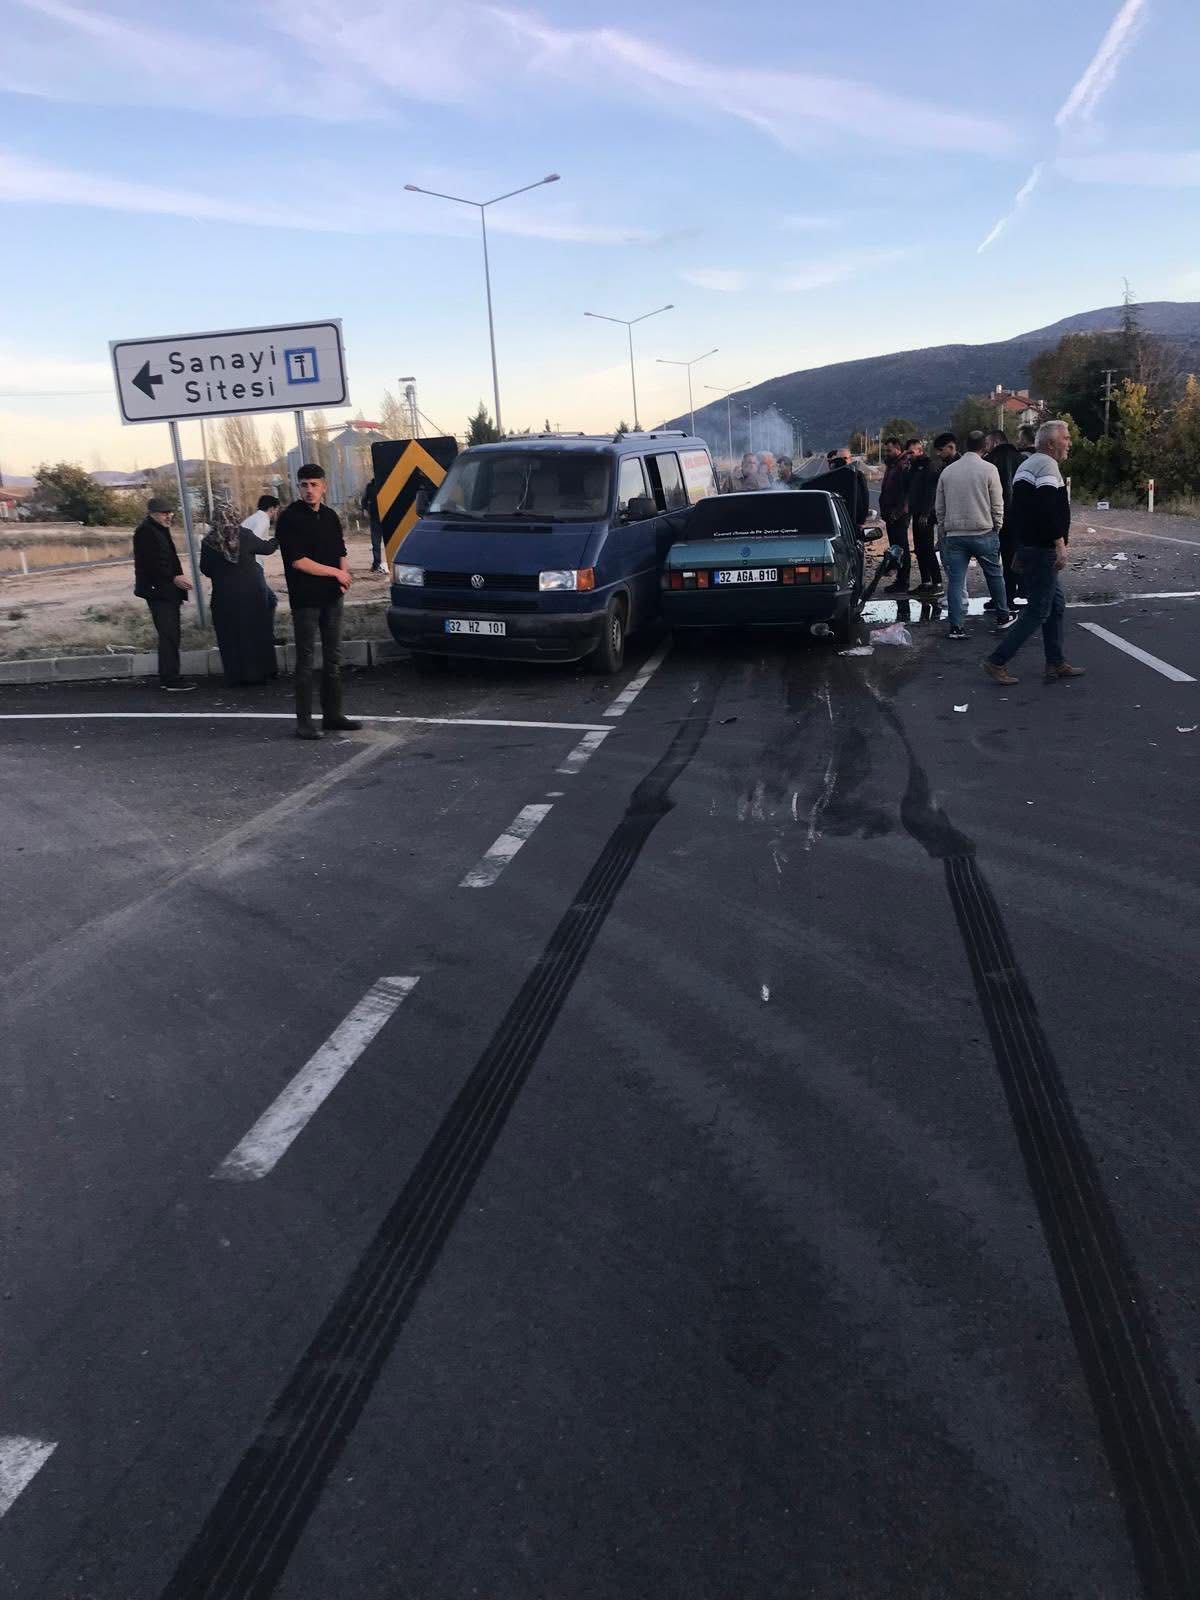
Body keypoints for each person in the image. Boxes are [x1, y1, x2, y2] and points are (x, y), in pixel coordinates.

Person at [983, 420, 1085, 685]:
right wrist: (1059, 543)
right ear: (1051, 443)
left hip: (1031, 546)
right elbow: (1046, 509)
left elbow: (1020, 512)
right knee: (1039, 610)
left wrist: (1019, 547)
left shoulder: (1027, 465)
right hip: (1043, 550)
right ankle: (997, 660)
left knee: (1056, 605)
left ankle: (1055, 662)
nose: (1069, 443)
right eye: (1066, 438)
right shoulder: (1047, 465)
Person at [276, 463, 362, 740]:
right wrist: (336, 572)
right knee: (306, 660)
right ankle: (304, 722)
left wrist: (344, 574)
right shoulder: (290, 518)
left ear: (324, 486)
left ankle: (333, 715)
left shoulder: (329, 516)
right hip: (306, 599)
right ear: (298, 487)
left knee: (333, 658)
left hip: (332, 598)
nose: (309, 490)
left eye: (314, 484)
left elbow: (340, 550)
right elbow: (299, 561)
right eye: (304, 485)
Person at [934, 430, 1011, 639]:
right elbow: (997, 501)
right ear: (984, 446)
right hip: (984, 531)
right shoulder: (989, 469)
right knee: (994, 575)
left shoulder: (948, 472)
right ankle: (1003, 616)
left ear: (965, 444)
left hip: (955, 535)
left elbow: (939, 506)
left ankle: (956, 626)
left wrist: (943, 528)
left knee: (956, 582)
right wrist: (998, 525)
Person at [200, 499, 280, 687]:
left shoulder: (208, 542)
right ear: (235, 516)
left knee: (230, 637)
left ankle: (236, 676)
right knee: (256, 633)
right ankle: (260, 673)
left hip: (224, 597)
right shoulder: (244, 535)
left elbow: (205, 569)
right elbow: (267, 549)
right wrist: (277, 539)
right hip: (251, 595)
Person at [133, 495, 194, 691]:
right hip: (159, 592)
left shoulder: (158, 529)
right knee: (168, 634)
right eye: (164, 513)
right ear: (152, 514)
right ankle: (170, 679)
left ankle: (170, 675)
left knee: (171, 634)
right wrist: (174, 578)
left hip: (166, 591)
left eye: (170, 512)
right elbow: (152, 564)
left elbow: (165, 560)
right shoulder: (146, 533)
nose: (169, 516)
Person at [984, 430, 1025, 610]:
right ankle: (1012, 595)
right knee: (1012, 558)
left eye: (987, 444)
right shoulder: (1021, 460)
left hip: (994, 518)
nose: (985, 448)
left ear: (994, 442)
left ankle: (999, 599)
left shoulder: (989, 462)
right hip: (1018, 517)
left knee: (993, 563)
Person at [904, 437, 944, 597]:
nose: (909, 455)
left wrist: (927, 513)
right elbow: (906, 486)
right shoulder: (912, 467)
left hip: (926, 513)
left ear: (920, 451)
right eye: (907, 452)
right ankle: (925, 581)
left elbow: (931, 491)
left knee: (927, 548)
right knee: (919, 549)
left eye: (911, 452)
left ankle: (937, 582)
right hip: (916, 512)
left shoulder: (929, 465)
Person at [879, 439, 911, 593]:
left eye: (889, 450)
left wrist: (897, 513)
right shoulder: (893, 465)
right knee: (896, 548)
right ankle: (900, 579)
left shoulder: (902, 466)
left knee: (901, 548)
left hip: (898, 515)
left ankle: (903, 582)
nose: (887, 453)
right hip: (891, 515)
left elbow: (905, 493)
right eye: (886, 450)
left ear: (898, 449)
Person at [240, 493, 280, 570]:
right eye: (276, 509)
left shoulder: (255, 517)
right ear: (271, 509)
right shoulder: (263, 520)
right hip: (252, 563)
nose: (276, 513)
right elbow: (254, 541)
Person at [362, 478, 386, 574]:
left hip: (388, 517)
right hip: (375, 518)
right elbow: (364, 499)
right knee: (376, 543)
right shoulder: (370, 486)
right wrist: (364, 509)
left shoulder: (388, 482)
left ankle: (394, 564)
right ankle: (376, 564)